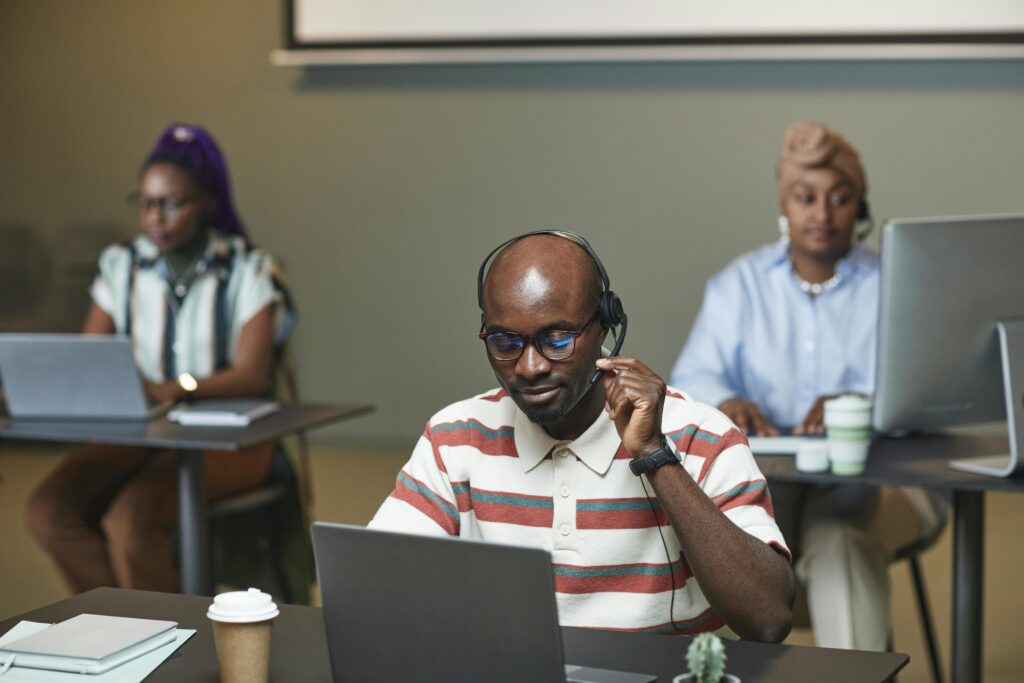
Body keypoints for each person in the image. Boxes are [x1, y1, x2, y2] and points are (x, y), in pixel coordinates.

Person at [369, 231, 794, 642]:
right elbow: (374, 587)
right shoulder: (455, 438)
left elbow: (768, 619)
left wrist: (654, 454)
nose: (530, 366)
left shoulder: (704, 435)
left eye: (557, 339)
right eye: (505, 340)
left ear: (608, 325)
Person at [670, 121, 944, 650]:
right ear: (784, 204)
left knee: (840, 538)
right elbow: (691, 379)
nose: (821, 213)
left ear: (860, 208)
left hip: (879, 483)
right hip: (773, 485)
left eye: (840, 198)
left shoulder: (897, 283)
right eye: (806, 197)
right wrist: (726, 401)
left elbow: (927, 388)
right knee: (754, 542)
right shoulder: (739, 286)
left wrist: (865, 404)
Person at [25, 124, 295, 593]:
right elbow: (91, 358)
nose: (156, 217)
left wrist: (177, 387)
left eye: (173, 203)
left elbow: (251, 376)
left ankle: (167, 642)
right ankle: (120, 626)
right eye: (146, 203)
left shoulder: (249, 267)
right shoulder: (121, 264)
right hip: (142, 429)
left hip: (232, 437)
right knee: (49, 511)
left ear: (208, 202)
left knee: (131, 519)